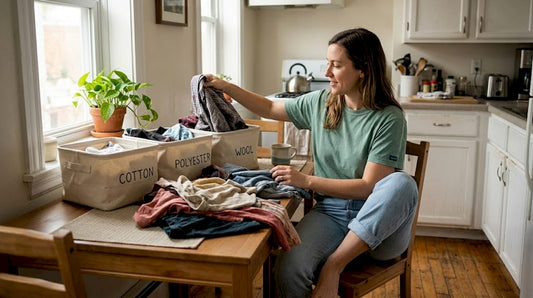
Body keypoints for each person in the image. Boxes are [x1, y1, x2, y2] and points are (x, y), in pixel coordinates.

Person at [204, 28, 418, 298]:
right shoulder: (322, 103)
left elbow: (368, 187)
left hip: (382, 231)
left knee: (402, 183)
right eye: (327, 63)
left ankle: (335, 264)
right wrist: (228, 87)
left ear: (363, 69)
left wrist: (306, 181)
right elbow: (270, 108)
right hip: (332, 215)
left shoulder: (389, 118)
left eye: (336, 65)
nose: (326, 72)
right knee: (288, 268)